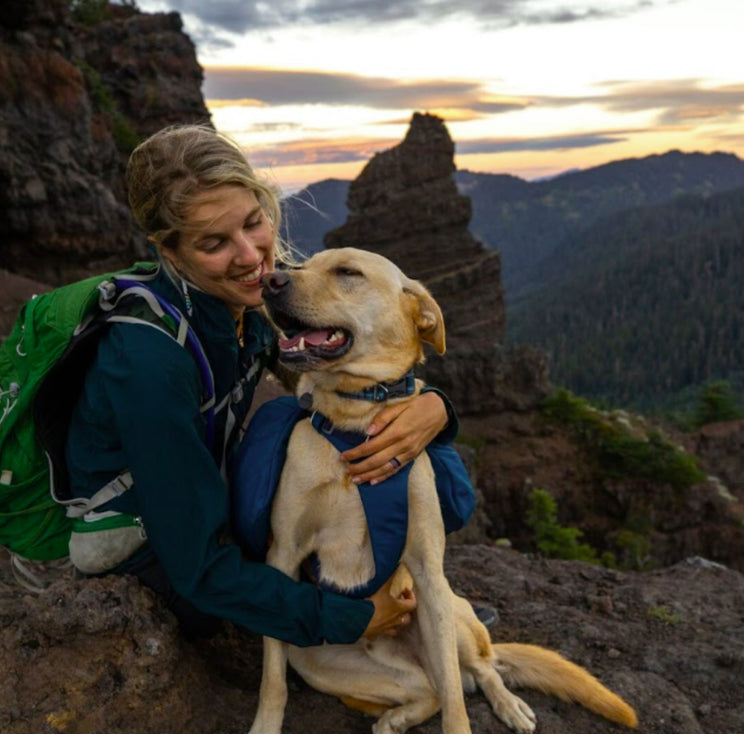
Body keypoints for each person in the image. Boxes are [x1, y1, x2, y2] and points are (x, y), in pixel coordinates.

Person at [63, 124, 457, 642]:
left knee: (440, 472)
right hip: (141, 536)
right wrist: (350, 620)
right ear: (171, 252)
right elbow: (197, 567)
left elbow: (357, 366)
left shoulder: (247, 303)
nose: (251, 256)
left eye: (255, 223)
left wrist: (437, 409)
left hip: (200, 489)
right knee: (218, 611)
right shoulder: (147, 361)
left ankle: (435, 609)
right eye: (214, 243)